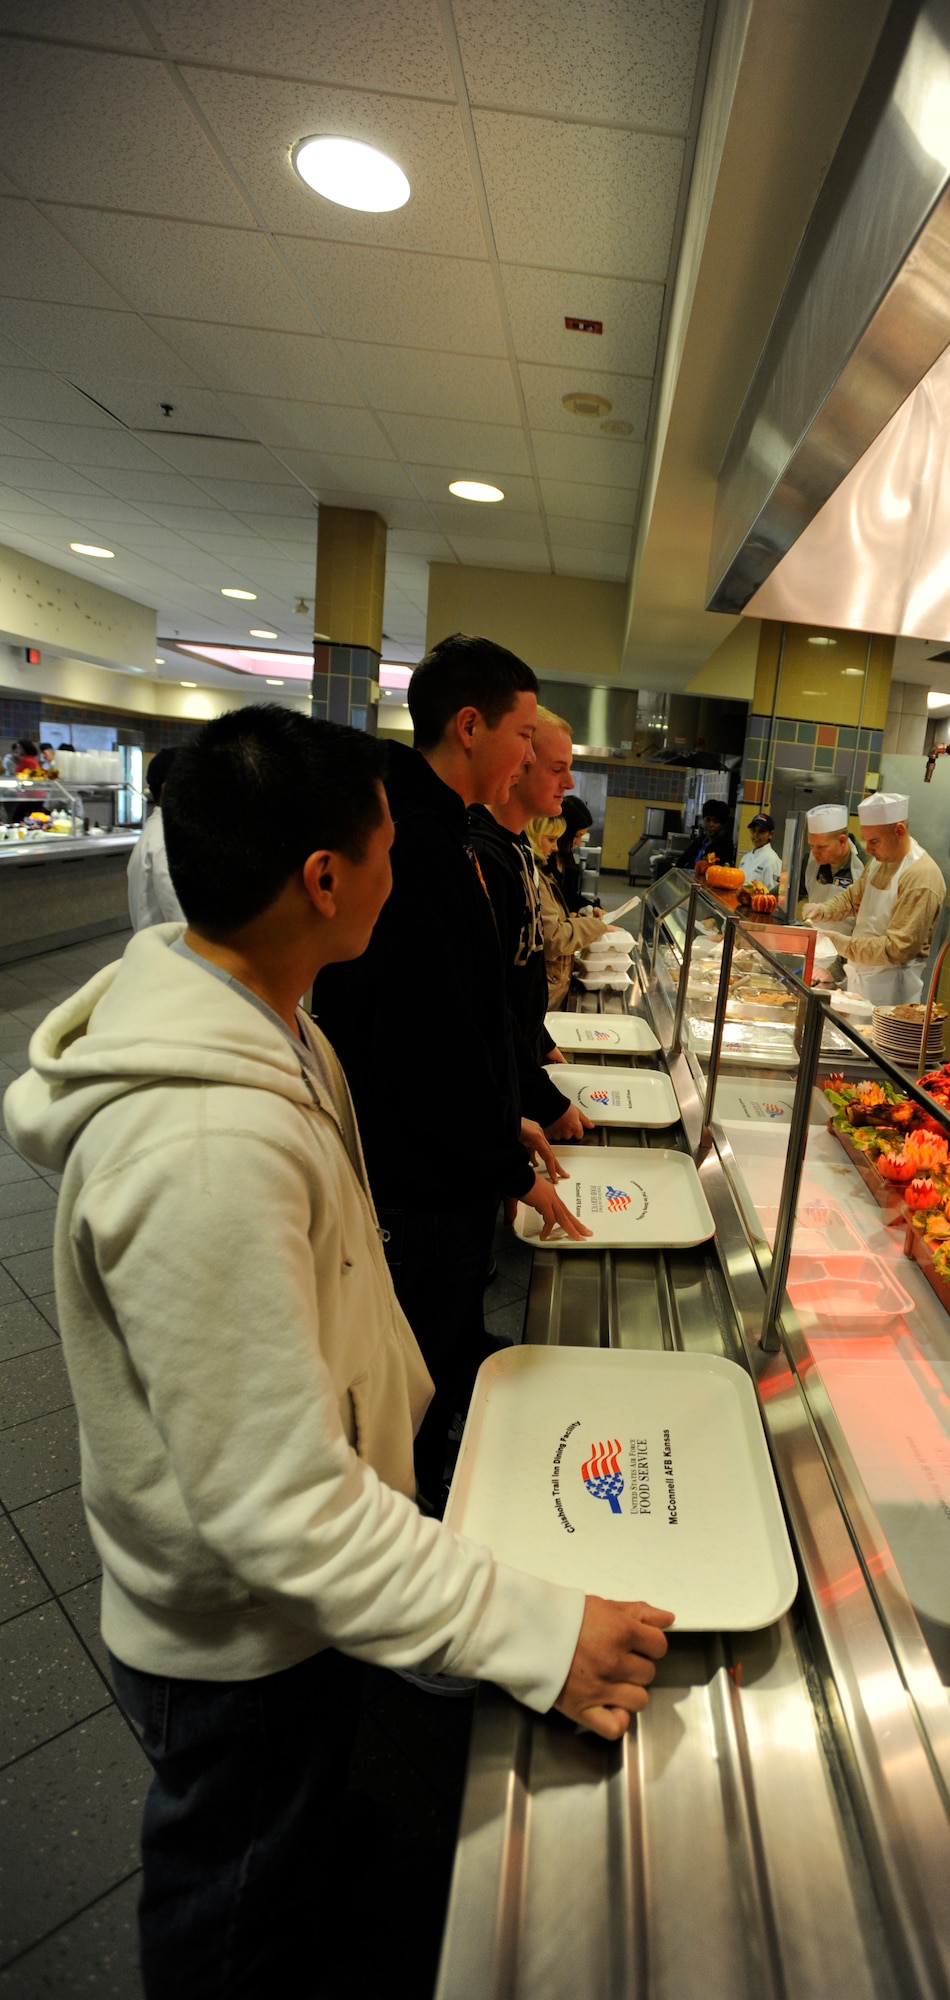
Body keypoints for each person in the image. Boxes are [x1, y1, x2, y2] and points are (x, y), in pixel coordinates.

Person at [2, 703, 673, 1998]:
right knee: (230, 1900)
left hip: (297, 1612)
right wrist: (535, 1629)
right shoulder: (201, 1149)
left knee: (300, 1837)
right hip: (238, 1639)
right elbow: (280, 1510)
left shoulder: (274, 1019)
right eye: (386, 850)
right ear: (323, 879)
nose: (399, 873)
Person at [313, 638, 589, 1509]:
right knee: (414, 1372)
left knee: (439, 1349)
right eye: (523, 735)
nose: (530, 758)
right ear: (470, 726)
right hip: (418, 1182)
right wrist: (504, 1160)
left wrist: (508, 1118)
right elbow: (425, 1042)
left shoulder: (441, 831)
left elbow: (464, 1015)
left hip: (441, 1159)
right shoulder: (417, 841)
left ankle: (426, 1491)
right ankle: (410, 1516)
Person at [468, 705, 591, 1139]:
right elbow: (485, 1000)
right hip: (494, 1083)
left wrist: (539, 1039)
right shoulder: (483, 855)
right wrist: (543, 1100)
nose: (570, 783)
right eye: (557, 769)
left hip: (516, 1063)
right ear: (521, 764)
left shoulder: (518, 847)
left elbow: (522, 965)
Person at [808, 792, 945, 1005]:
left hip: (891, 992)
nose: (868, 849)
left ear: (899, 831)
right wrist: (823, 910)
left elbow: (897, 948)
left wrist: (844, 945)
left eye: (874, 841)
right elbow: (852, 898)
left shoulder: (920, 876)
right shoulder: (879, 862)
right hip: (860, 980)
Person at [529, 813, 608, 1008]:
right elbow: (553, 938)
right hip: (546, 989)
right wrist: (596, 926)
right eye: (551, 839)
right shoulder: (535, 874)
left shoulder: (545, 868)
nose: (555, 847)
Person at [126, 745, 186, 931]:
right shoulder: (166, 843)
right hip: (170, 948)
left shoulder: (163, 832)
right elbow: (185, 923)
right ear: (168, 789)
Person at [798, 801, 864, 912]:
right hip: (814, 922)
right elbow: (785, 893)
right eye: (811, 846)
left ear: (842, 841)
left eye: (821, 847)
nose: (815, 852)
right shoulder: (808, 862)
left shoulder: (865, 865)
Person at [655, 797, 735, 879]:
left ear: (722, 824)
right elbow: (682, 860)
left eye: (716, 821)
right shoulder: (701, 840)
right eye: (708, 820)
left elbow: (720, 871)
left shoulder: (724, 843)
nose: (711, 825)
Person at [555, 793, 595, 907]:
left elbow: (571, 897)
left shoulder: (567, 856)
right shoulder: (543, 861)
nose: (579, 842)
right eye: (577, 836)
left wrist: (593, 907)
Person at [738, 811, 783, 890]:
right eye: (753, 830)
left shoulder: (772, 860)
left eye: (761, 831)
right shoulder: (746, 858)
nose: (756, 835)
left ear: (770, 834)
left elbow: (772, 893)